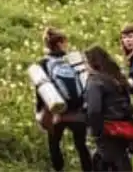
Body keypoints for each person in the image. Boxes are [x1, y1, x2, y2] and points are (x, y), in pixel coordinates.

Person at [37, 28, 93, 172]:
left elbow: (40, 90)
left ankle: (58, 168)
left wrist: (41, 112)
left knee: (54, 143)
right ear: (62, 42)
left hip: (57, 110)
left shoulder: (43, 63)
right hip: (77, 111)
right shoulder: (74, 59)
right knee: (81, 145)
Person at [84, 45, 133, 171]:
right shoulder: (116, 77)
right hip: (123, 127)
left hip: (106, 128)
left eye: (85, 63)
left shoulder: (95, 81)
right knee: (122, 159)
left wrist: (95, 131)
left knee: (110, 162)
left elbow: (94, 110)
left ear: (91, 63)